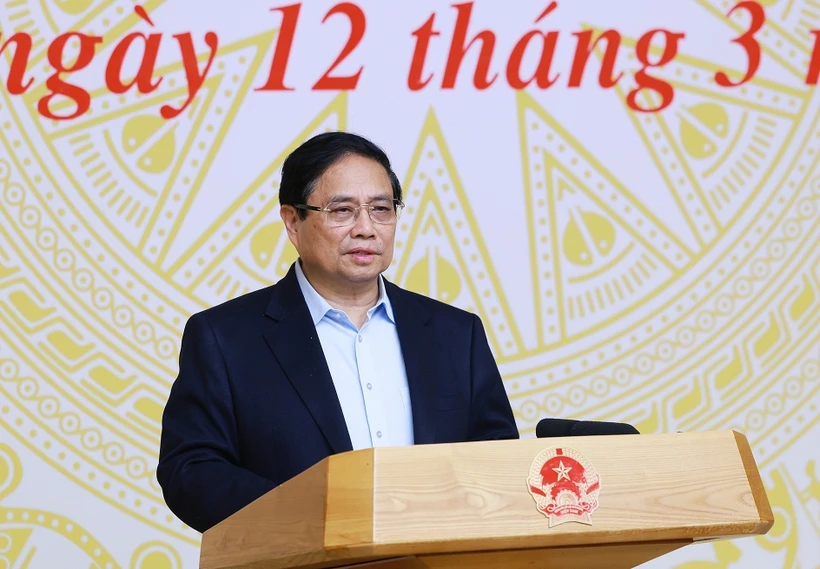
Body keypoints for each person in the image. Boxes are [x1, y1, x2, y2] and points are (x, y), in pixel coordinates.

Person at [156, 131, 519, 533]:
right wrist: (313, 515)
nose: (366, 228)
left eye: (381, 209)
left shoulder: (455, 334)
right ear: (293, 222)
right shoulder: (224, 338)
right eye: (342, 210)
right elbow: (190, 472)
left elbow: (497, 460)